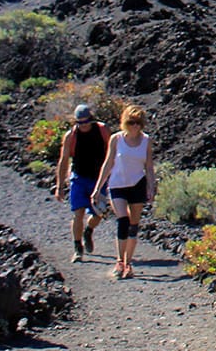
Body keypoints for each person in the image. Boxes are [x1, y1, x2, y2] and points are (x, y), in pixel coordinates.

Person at [92, 104, 158, 279]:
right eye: (131, 122)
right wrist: (98, 188)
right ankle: (120, 260)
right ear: (125, 122)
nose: (135, 126)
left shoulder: (146, 141)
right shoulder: (116, 139)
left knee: (133, 226)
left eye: (138, 123)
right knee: (123, 220)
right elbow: (108, 163)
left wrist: (151, 186)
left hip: (137, 184)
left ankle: (128, 263)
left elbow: (149, 166)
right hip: (117, 184)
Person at [51, 103, 108, 262]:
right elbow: (63, 161)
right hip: (79, 178)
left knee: (98, 213)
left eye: (86, 122)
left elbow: (111, 154)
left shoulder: (103, 130)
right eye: (79, 122)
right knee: (78, 213)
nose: (83, 125)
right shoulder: (71, 136)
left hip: (98, 178)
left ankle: (88, 231)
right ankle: (77, 248)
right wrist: (60, 186)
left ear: (91, 119)